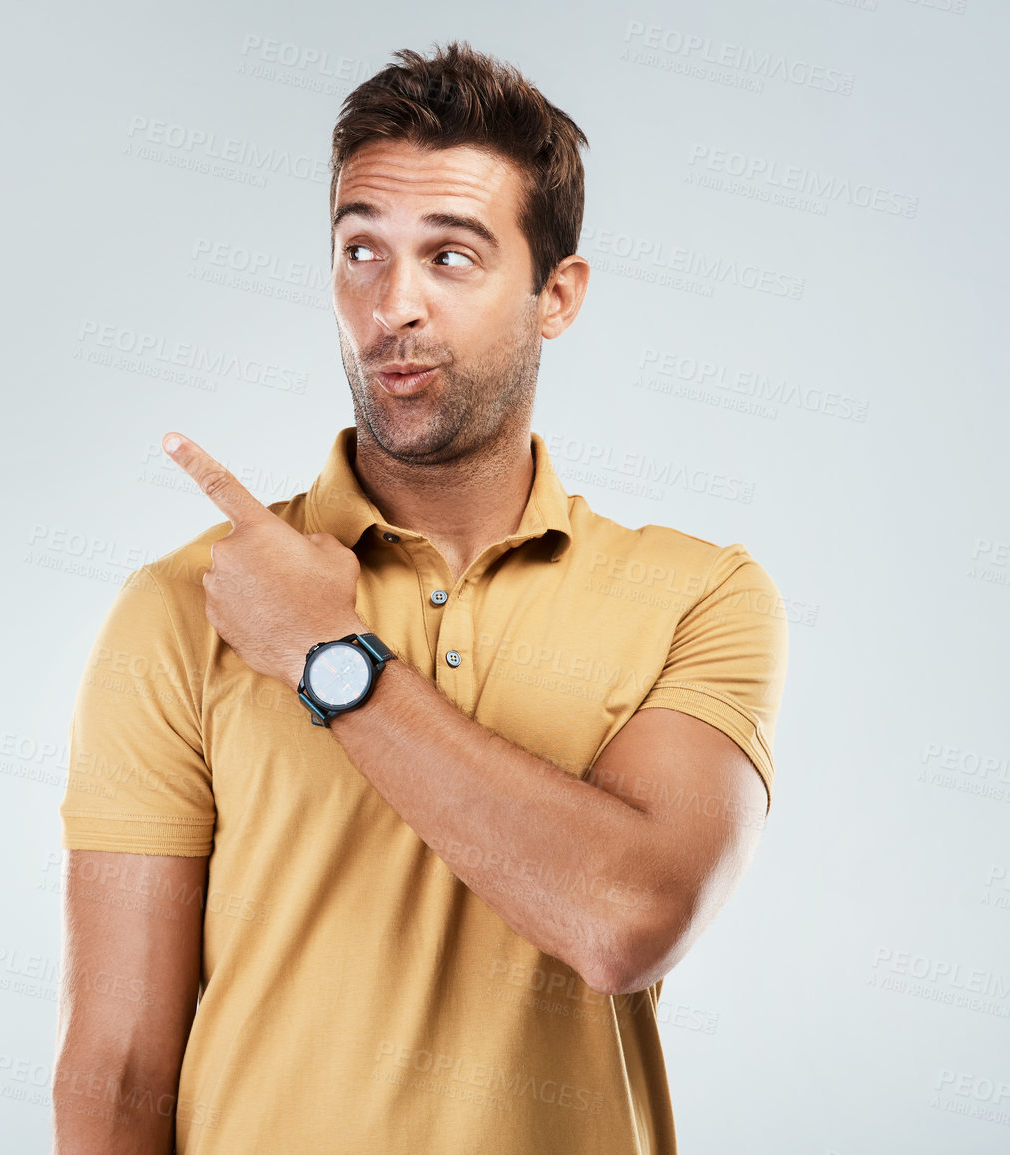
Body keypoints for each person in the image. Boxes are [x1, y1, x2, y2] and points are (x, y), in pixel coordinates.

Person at [53, 40, 788, 1155]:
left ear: (558, 295)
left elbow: (627, 921)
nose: (393, 305)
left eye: (451, 257)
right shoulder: (182, 606)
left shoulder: (697, 597)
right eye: (361, 251)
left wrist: (327, 655)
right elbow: (117, 1071)